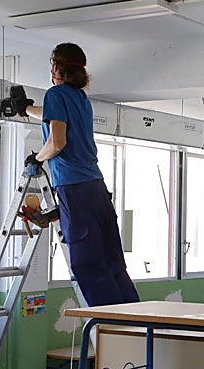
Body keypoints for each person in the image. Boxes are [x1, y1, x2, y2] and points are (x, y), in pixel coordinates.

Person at [24, 42, 139, 306]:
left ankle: (112, 330)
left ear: (55, 67)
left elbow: (56, 143)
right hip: (96, 187)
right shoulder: (79, 98)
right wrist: (27, 109)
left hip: (73, 186)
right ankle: (135, 326)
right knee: (112, 263)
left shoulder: (55, 94)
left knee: (88, 264)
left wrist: (37, 158)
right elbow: (52, 116)